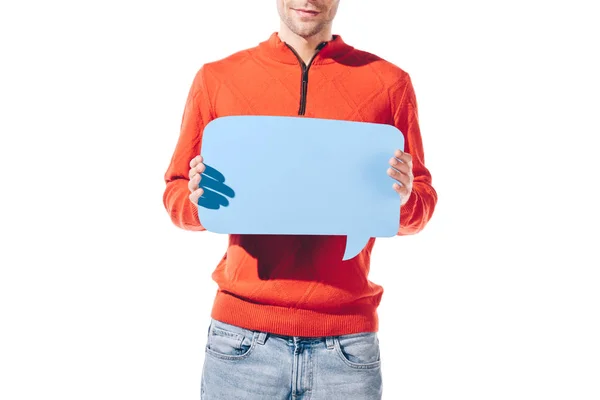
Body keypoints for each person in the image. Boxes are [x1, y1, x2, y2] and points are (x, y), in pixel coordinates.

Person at [163, 1, 437, 398]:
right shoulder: (217, 78)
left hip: (347, 347)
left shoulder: (389, 82)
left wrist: (405, 197)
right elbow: (176, 195)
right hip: (241, 342)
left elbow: (420, 205)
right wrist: (196, 199)